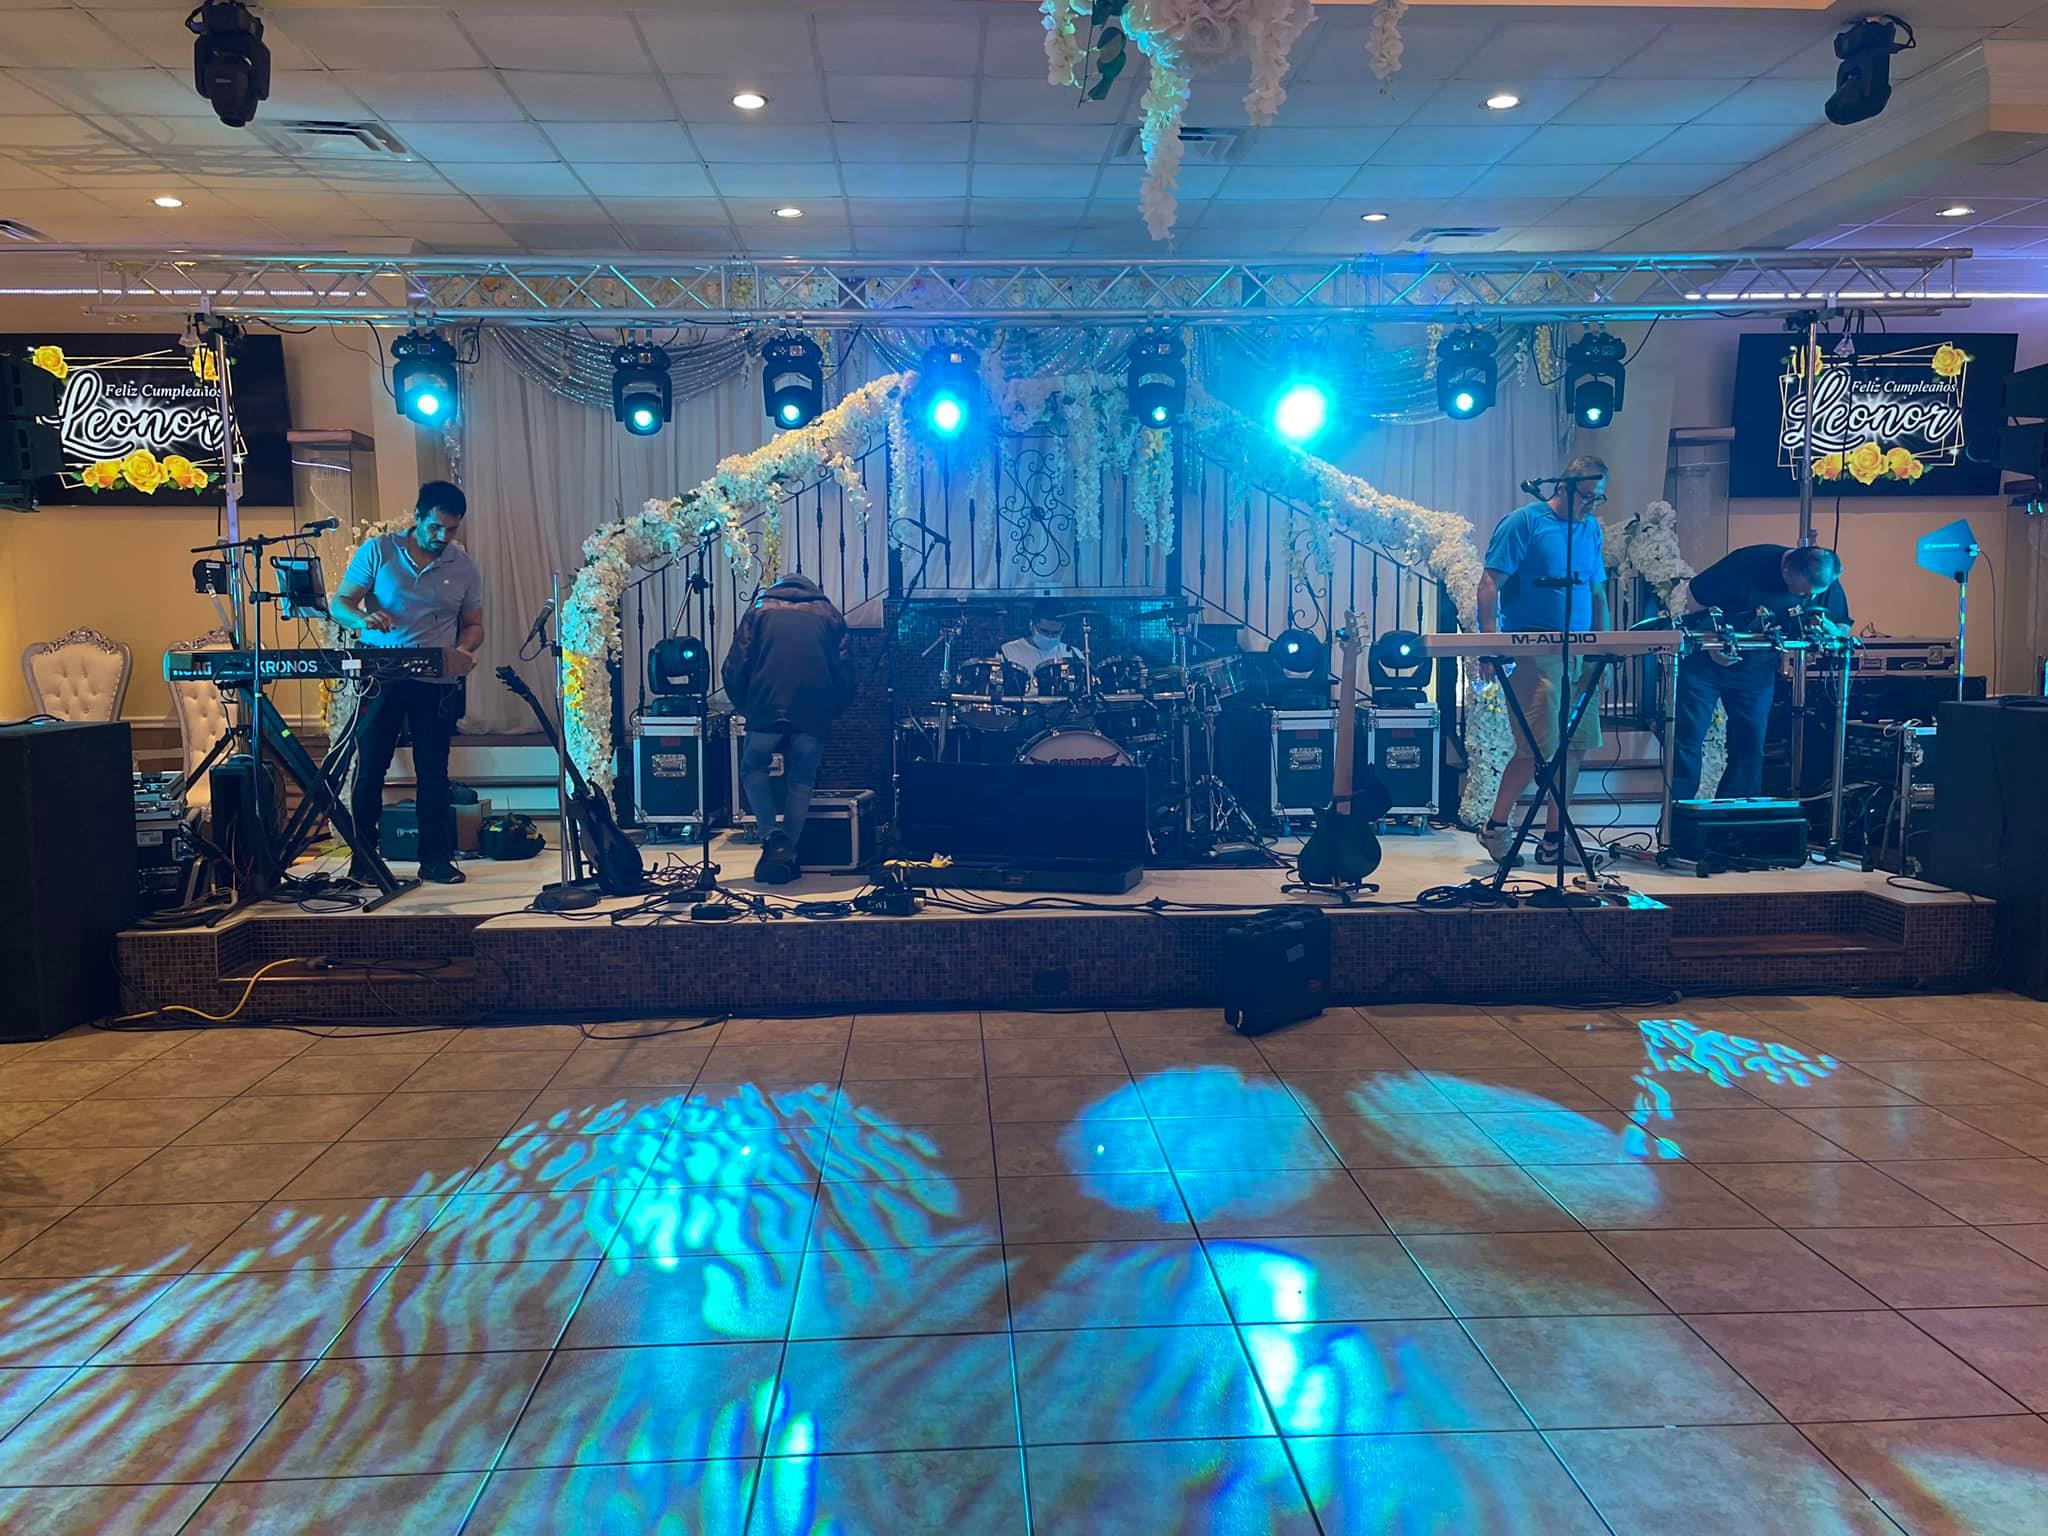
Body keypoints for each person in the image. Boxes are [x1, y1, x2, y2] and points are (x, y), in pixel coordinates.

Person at [330, 481, 483, 885]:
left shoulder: (464, 566)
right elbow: (340, 604)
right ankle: (364, 860)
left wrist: (463, 651)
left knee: (433, 770)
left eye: (451, 529)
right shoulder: (379, 550)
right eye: (435, 527)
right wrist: (362, 620)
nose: (442, 536)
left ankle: (435, 859)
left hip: (435, 678)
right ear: (417, 517)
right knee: (371, 768)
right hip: (380, 674)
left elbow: (473, 624)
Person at [1475, 456, 1610, 867]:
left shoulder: (1590, 529)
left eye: (1599, 498)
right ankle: (1496, 826)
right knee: (1537, 748)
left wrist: (1603, 648)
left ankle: (1554, 839)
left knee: (1575, 747)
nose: (1592, 505)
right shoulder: (1525, 522)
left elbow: (1598, 592)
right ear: (1564, 487)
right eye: (1587, 496)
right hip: (1535, 648)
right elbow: (1489, 583)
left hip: (1580, 650)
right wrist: (1489, 642)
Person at [1671, 543, 1851, 801]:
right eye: (1802, 592)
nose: (1808, 598)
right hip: (1705, 668)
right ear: (1787, 570)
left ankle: (1733, 817)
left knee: (1750, 748)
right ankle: (1678, 814)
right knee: (1688, 742)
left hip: (1755, 673)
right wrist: (1712, 645)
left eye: (1814, 593)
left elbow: (1843, 625)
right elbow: (1695, 598)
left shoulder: (1822, 575)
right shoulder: (1746, 564)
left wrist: (1833, 631)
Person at [722, 573, 854, 884]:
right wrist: (833, 709)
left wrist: (745, 705)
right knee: (802, 779)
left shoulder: (759, 611)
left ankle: (772, 836)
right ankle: (787, 854)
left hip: (765, 704)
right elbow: (846, 670)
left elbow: (736, 664)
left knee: (753, 769)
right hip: (813, 709)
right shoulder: (829, 614)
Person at [999, 597, 1080, 687]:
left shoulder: (1073, 654)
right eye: (1044, 631)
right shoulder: (1008, 652)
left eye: (1055, 633)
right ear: (1032, 625)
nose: (1049, 637)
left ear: (1063, 628)